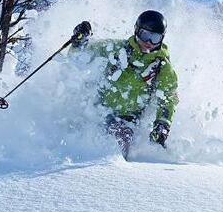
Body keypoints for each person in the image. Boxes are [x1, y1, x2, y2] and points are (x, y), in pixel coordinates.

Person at [69, 10, 178, 158]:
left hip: (129, 118)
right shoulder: (117, 49)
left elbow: (168, 97)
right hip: (98, 110)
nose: (149, 42)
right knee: (74, 133)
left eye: (155, 38)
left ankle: (112, 170)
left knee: (119, 137)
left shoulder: (161, 66)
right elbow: (79, 56)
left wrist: (162, 124)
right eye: (145, 35)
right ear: (137, 31)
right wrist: (79, 41)